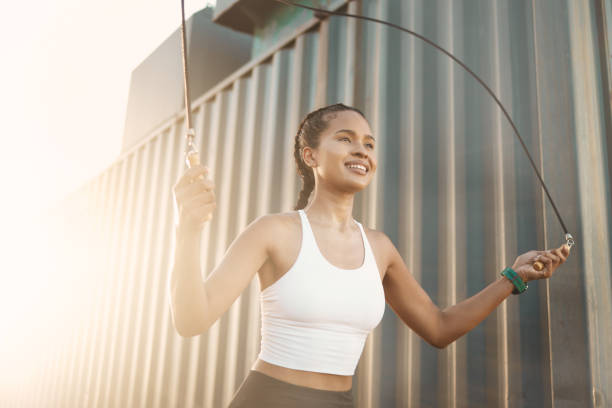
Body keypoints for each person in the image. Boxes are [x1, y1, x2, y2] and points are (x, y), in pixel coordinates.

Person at [169, 103, 571, 408]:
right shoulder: (273, 231)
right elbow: (191, 320)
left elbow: (439, 328)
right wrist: (187, 230)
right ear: (310, 156)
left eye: (369, 144)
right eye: (345, 139)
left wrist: (512, 278)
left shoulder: (380, 248)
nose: (361, 150)